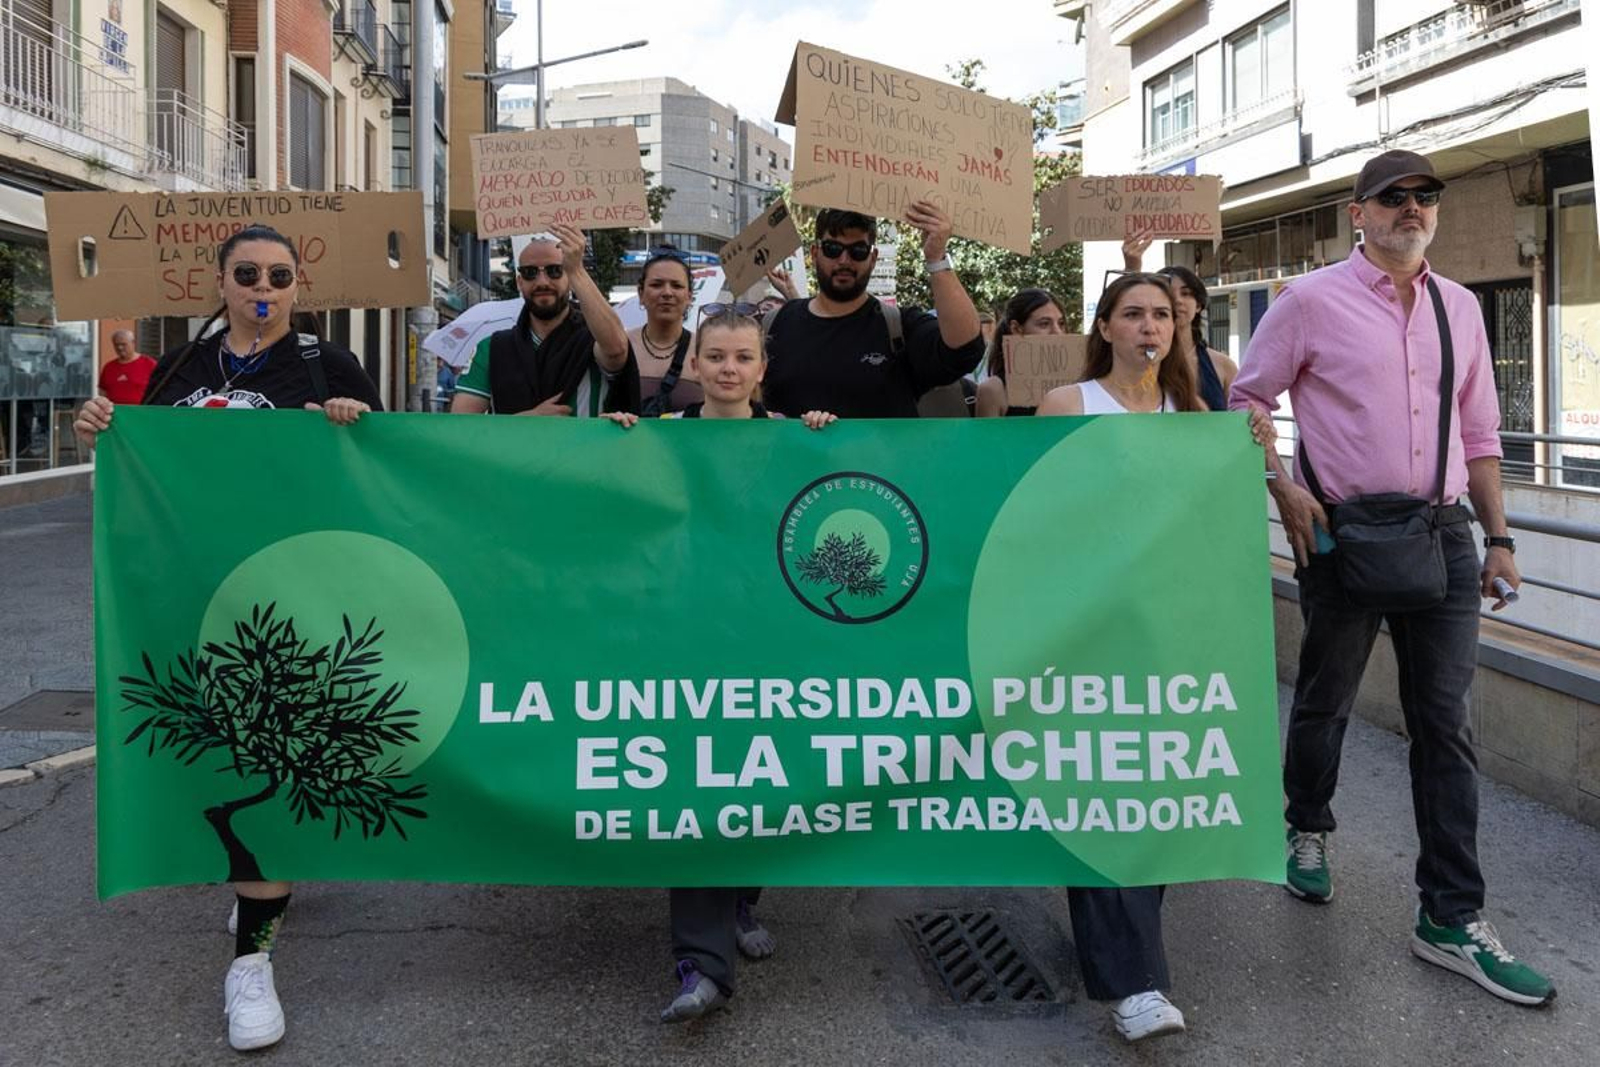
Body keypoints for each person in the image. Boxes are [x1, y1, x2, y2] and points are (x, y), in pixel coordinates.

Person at [1228, 149, 1554, 1007]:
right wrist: (1282, 483)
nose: (1413, 209)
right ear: (1358, 212)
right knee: (1326, 698)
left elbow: (1480, 434)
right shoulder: (1307, 303)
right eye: (1394, 197)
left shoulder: (1461, 309)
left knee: (1445, 725)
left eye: (1425, 197)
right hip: (1346, 534)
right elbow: (1246, 401)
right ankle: (1307, 826)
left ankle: (1450, 916)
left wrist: (1501, 537)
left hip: (1444, 536)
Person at [72, 223, 382, 1052]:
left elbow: (385, 475)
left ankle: (251, 962)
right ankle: (254, 889)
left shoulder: (327, 365)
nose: (264, 286)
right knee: (215, 763)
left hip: (290, 605)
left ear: (297, 286)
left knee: (266, 773)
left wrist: (355, 423)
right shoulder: (180, 368)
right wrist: (98, 427)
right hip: (187, 596)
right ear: (220, 279)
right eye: (247, 272)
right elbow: (134, 468)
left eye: (280, 275)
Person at [1036, 273, 1274, 1042]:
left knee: (1148, 792)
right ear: (1104, 327)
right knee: (1096, 790)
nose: (1149, 325)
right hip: (1087, 630)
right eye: (1133, 313)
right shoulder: (1068, 405)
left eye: (1162, 314)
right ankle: (1133, 981)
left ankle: (1124, 951)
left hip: (1165, 636)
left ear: (1180, 327)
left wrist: (1251, 457)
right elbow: (1041, 514)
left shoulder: (1197, 415)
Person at [603, 309, 834, 1023]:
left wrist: (828, 440)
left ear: (762, 368)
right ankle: (700, 965)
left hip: (774, 640)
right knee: (701, 781)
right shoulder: (660, 438)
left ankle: (739, 899)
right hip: (687, 640)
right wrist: (612, 450)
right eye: (717, 356)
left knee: (769, 774)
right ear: (694, 364)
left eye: (744, 357)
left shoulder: (794, 439)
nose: (730, 368)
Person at [760, 204, 984, 418]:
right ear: (815, 253)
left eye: (858, 250)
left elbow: (966, 350)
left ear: (873, 258)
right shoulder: (773, 326)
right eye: (833, 249)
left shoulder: (900, 328)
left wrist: (936, 258)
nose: (844, 260)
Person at [449, 224, 634, 416]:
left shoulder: (592, 341)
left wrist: (577, 270)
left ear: (570, 277)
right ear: (520, 282)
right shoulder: (491, 349)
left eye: (555, 270)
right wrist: (530, 421)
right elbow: (463, 423)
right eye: (530, 273)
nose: (542, 282)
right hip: (513, 447)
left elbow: (617, 349)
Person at [1121, 230, 1238, 413]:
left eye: (1186, 293)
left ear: (1199, 305)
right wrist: (1132, 269)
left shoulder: (1223, 365)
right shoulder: (1142, 360)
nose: (1177, 300)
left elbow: (1241, 420)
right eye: (1168, 293)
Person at [628, 249, 702, 415]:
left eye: (676, 286)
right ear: (641, 294)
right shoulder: (621, 346)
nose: (667, 293)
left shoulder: (706, 350)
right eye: (656, 285)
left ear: (689, 296)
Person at [975, 288, 1068, 417]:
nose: (1057, 332)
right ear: (1017, 329)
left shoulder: (1077, 384)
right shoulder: (994, 390)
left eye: (1061, 323)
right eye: (1044, 324)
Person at [98, 329, 156, 406]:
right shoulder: (108, 367)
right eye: (116, 345)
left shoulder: (150, 364)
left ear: (133, 343)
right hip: (115, 414)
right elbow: (102, 392)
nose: (120, 348)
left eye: (123, 344)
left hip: (141, 413)